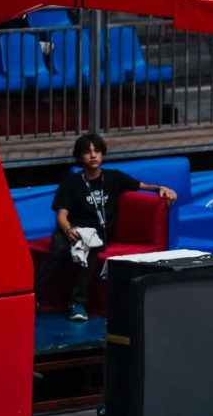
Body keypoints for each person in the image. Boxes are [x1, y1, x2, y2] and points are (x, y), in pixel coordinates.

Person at [33, 134, 178, 321]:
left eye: (97, 151)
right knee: (58, 249)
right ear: (79, 157)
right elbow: (61, 216)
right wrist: (69, 231)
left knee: (92, 247)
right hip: (72, 228)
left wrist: (161, 188)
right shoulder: (71, 183)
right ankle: (33, 295)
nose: (93, 156)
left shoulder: (113, 177)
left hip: (96, 232)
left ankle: (77, 303)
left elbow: (142, 185)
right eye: (88, 152)